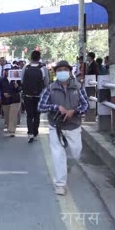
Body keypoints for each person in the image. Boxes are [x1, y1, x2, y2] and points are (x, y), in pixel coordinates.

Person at [38, 61, 89, 195]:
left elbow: (86, 105)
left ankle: (67, 167)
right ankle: (60, 184)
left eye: (65, 69)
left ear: (70, 71)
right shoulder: (50, 88)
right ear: (55, 73)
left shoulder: (78, 87)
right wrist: (56, 107)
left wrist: (74, 111)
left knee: (75, 154)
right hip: (56, 126)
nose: (62, 72)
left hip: (74, 126)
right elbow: (41, 106)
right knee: (58, 155)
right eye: (59, 70)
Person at [21, 50, 49, 143]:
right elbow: (46, 82)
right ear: (39, 58)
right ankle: (36, 133)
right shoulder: (43, 68)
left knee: (29, 115)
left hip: (27, 95)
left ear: (31, 57)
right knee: (37, 115)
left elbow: (22, 80)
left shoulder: (26, 67)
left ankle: (30, 133)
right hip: (39, 95)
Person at [0, 64, 22, 137]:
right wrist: (3, 94)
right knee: (7, 116)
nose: (7, 71)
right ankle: (9, 128)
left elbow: (21, 88)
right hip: (5, 101)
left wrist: (18, 87)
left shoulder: (17, 79)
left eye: (9, 70)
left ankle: (12, 131)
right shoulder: (2, 80)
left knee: (13, 115)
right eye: (6, 70)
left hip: (15, 100)